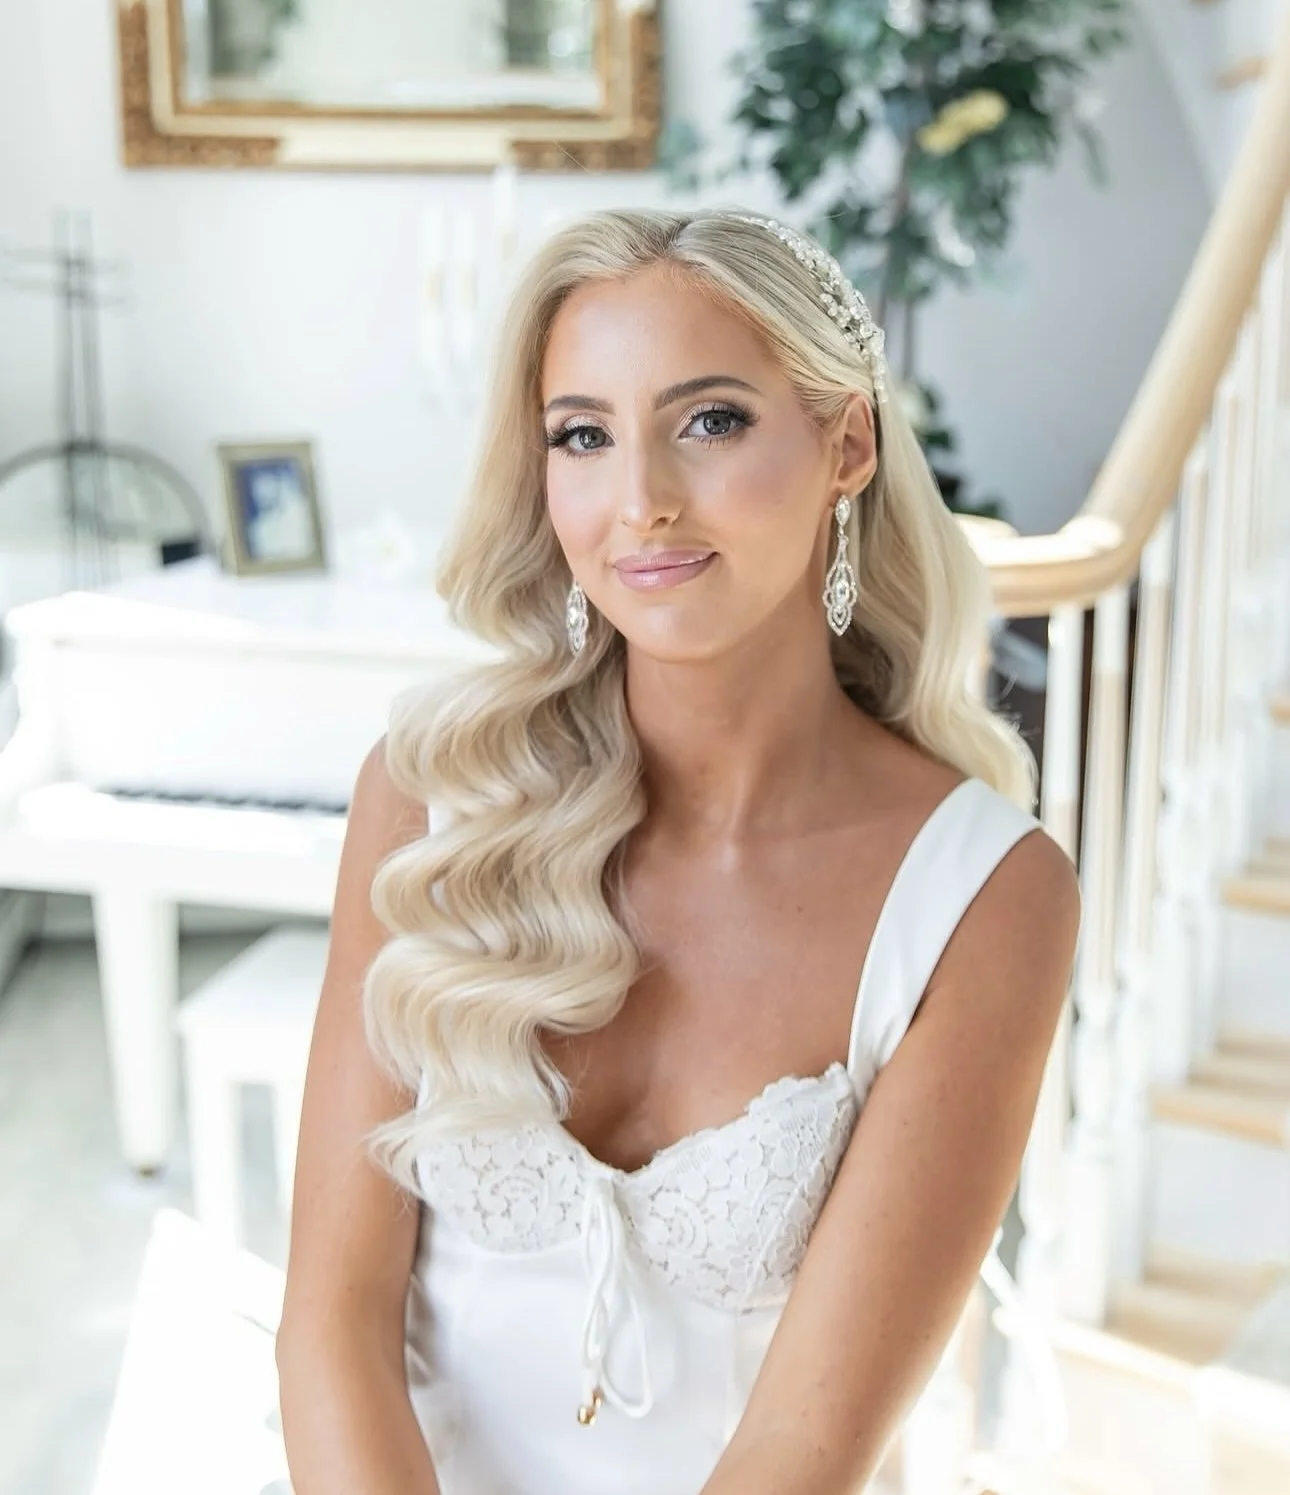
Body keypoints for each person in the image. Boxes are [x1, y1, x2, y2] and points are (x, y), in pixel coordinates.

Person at [275, 207, 1082, 1495]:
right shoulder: (431, 805)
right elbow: (332, 1326)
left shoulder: (983, 901)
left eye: (710, 421)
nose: (641, 501)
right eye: (583, 436)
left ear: (846, 443)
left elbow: (800, 1455)